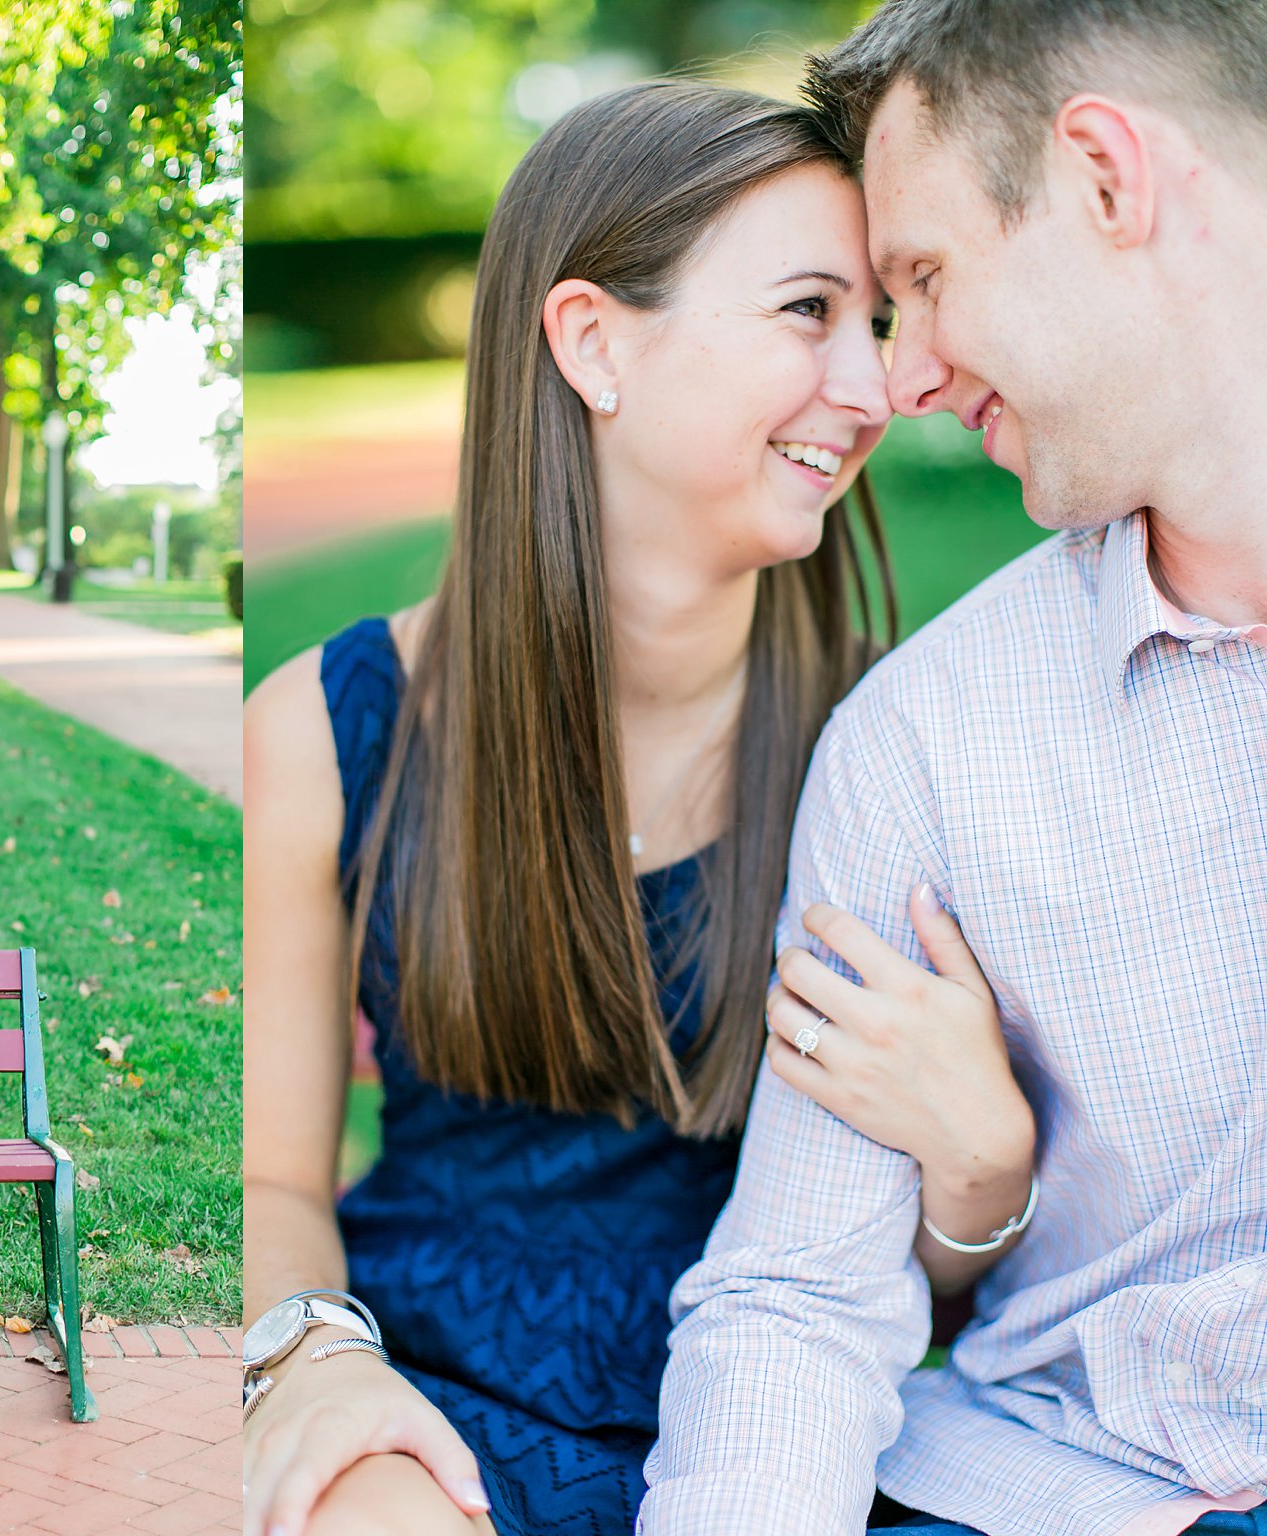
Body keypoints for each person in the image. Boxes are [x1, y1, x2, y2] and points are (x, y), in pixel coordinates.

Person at [241, 80, 1035, 1536]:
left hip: (802, 1435)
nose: (872, 390)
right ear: (593, 342)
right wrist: (310, 1365)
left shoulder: (896, 744)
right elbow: (273, 1171)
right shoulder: (326, 727)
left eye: (874, 324)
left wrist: (984, 1171)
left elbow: (921, 1288)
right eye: (809, 311)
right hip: (431, 1402)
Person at [643, 3, 1267, 1533]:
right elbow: (799, 1295)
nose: (898, 381)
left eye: (920, 281)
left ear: (1110, 180)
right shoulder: (927, 741)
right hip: (1085, 1483)